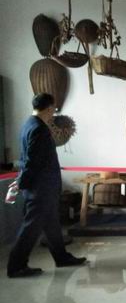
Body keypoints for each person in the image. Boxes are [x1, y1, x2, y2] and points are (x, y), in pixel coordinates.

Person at [7, 93, 86, 278]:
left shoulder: (28, 124)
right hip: (40, 189)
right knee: (30, 229)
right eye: (54, 109)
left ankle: (61, 257)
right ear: (49, 108)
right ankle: (16, 266)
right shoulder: (39, 129)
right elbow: (33, 162)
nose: (54, 113)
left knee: (52, 226)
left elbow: (28, 159)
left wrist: (22, 181)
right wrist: (21, 183)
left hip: (40, 187)